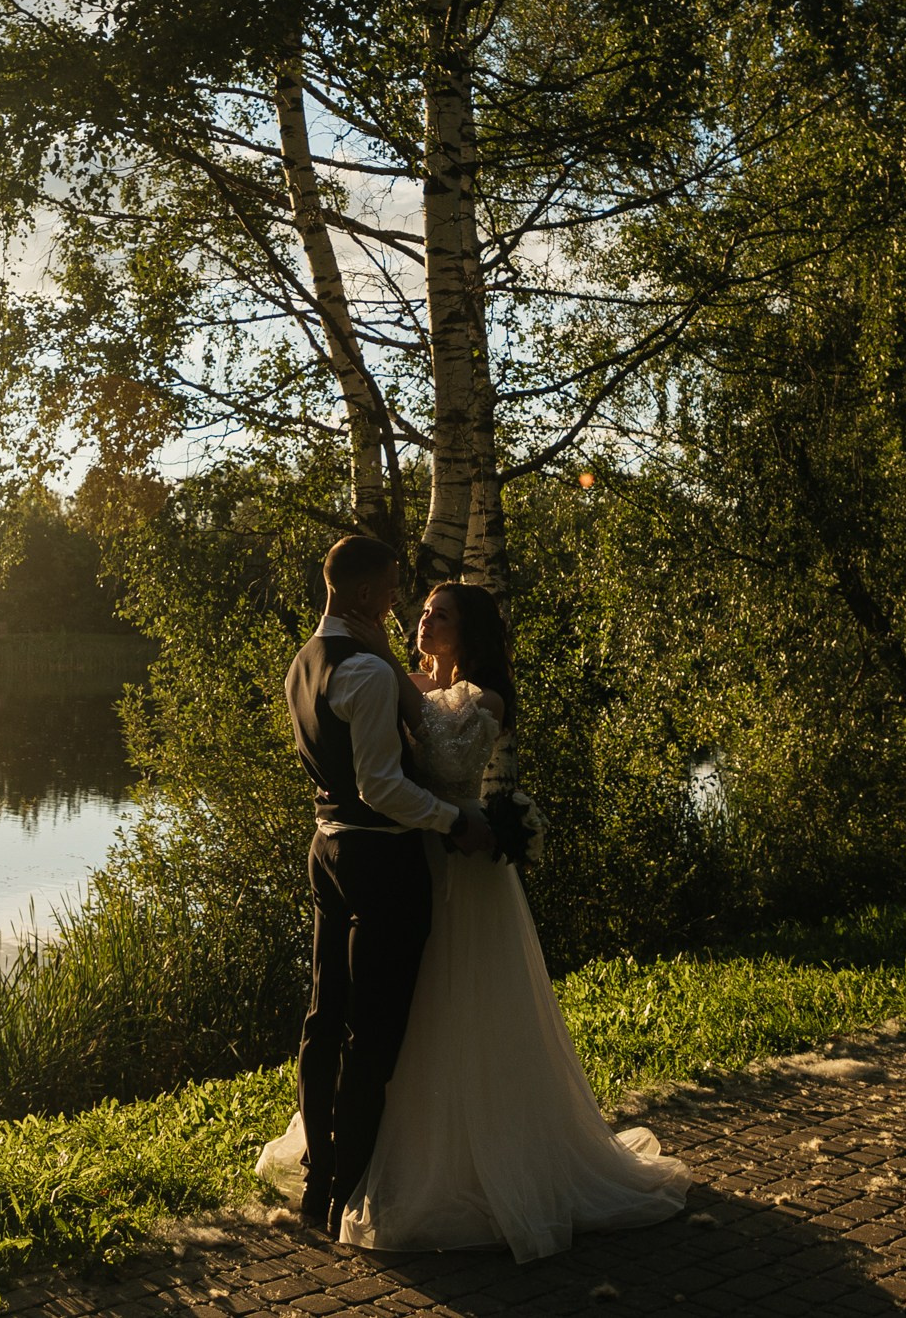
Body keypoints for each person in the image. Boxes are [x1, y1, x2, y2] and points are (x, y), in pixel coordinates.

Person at [263, 574, 691, 1261]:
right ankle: (375, 1154)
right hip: (407, 854)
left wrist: (393, 673)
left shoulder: (481, 696)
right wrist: (392, 673)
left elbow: (447, 753)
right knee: (402, 1012)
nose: (425, 622)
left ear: (469, 632)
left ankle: (472, 1157)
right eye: (425, 612)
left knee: (462, 1003)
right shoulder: (394, 680)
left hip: (460, 860)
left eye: (442, 616)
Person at [278, 535, 497, 1238]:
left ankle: (319, 1175)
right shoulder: (370, 672)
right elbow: (381, 786)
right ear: (367, 593)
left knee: (323, 1018)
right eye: (394, 587)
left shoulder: (303, 661)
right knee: (371, 1032)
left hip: (326, 848)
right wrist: (453, 820)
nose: (400, 601)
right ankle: (345, 1189)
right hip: (381, 860)